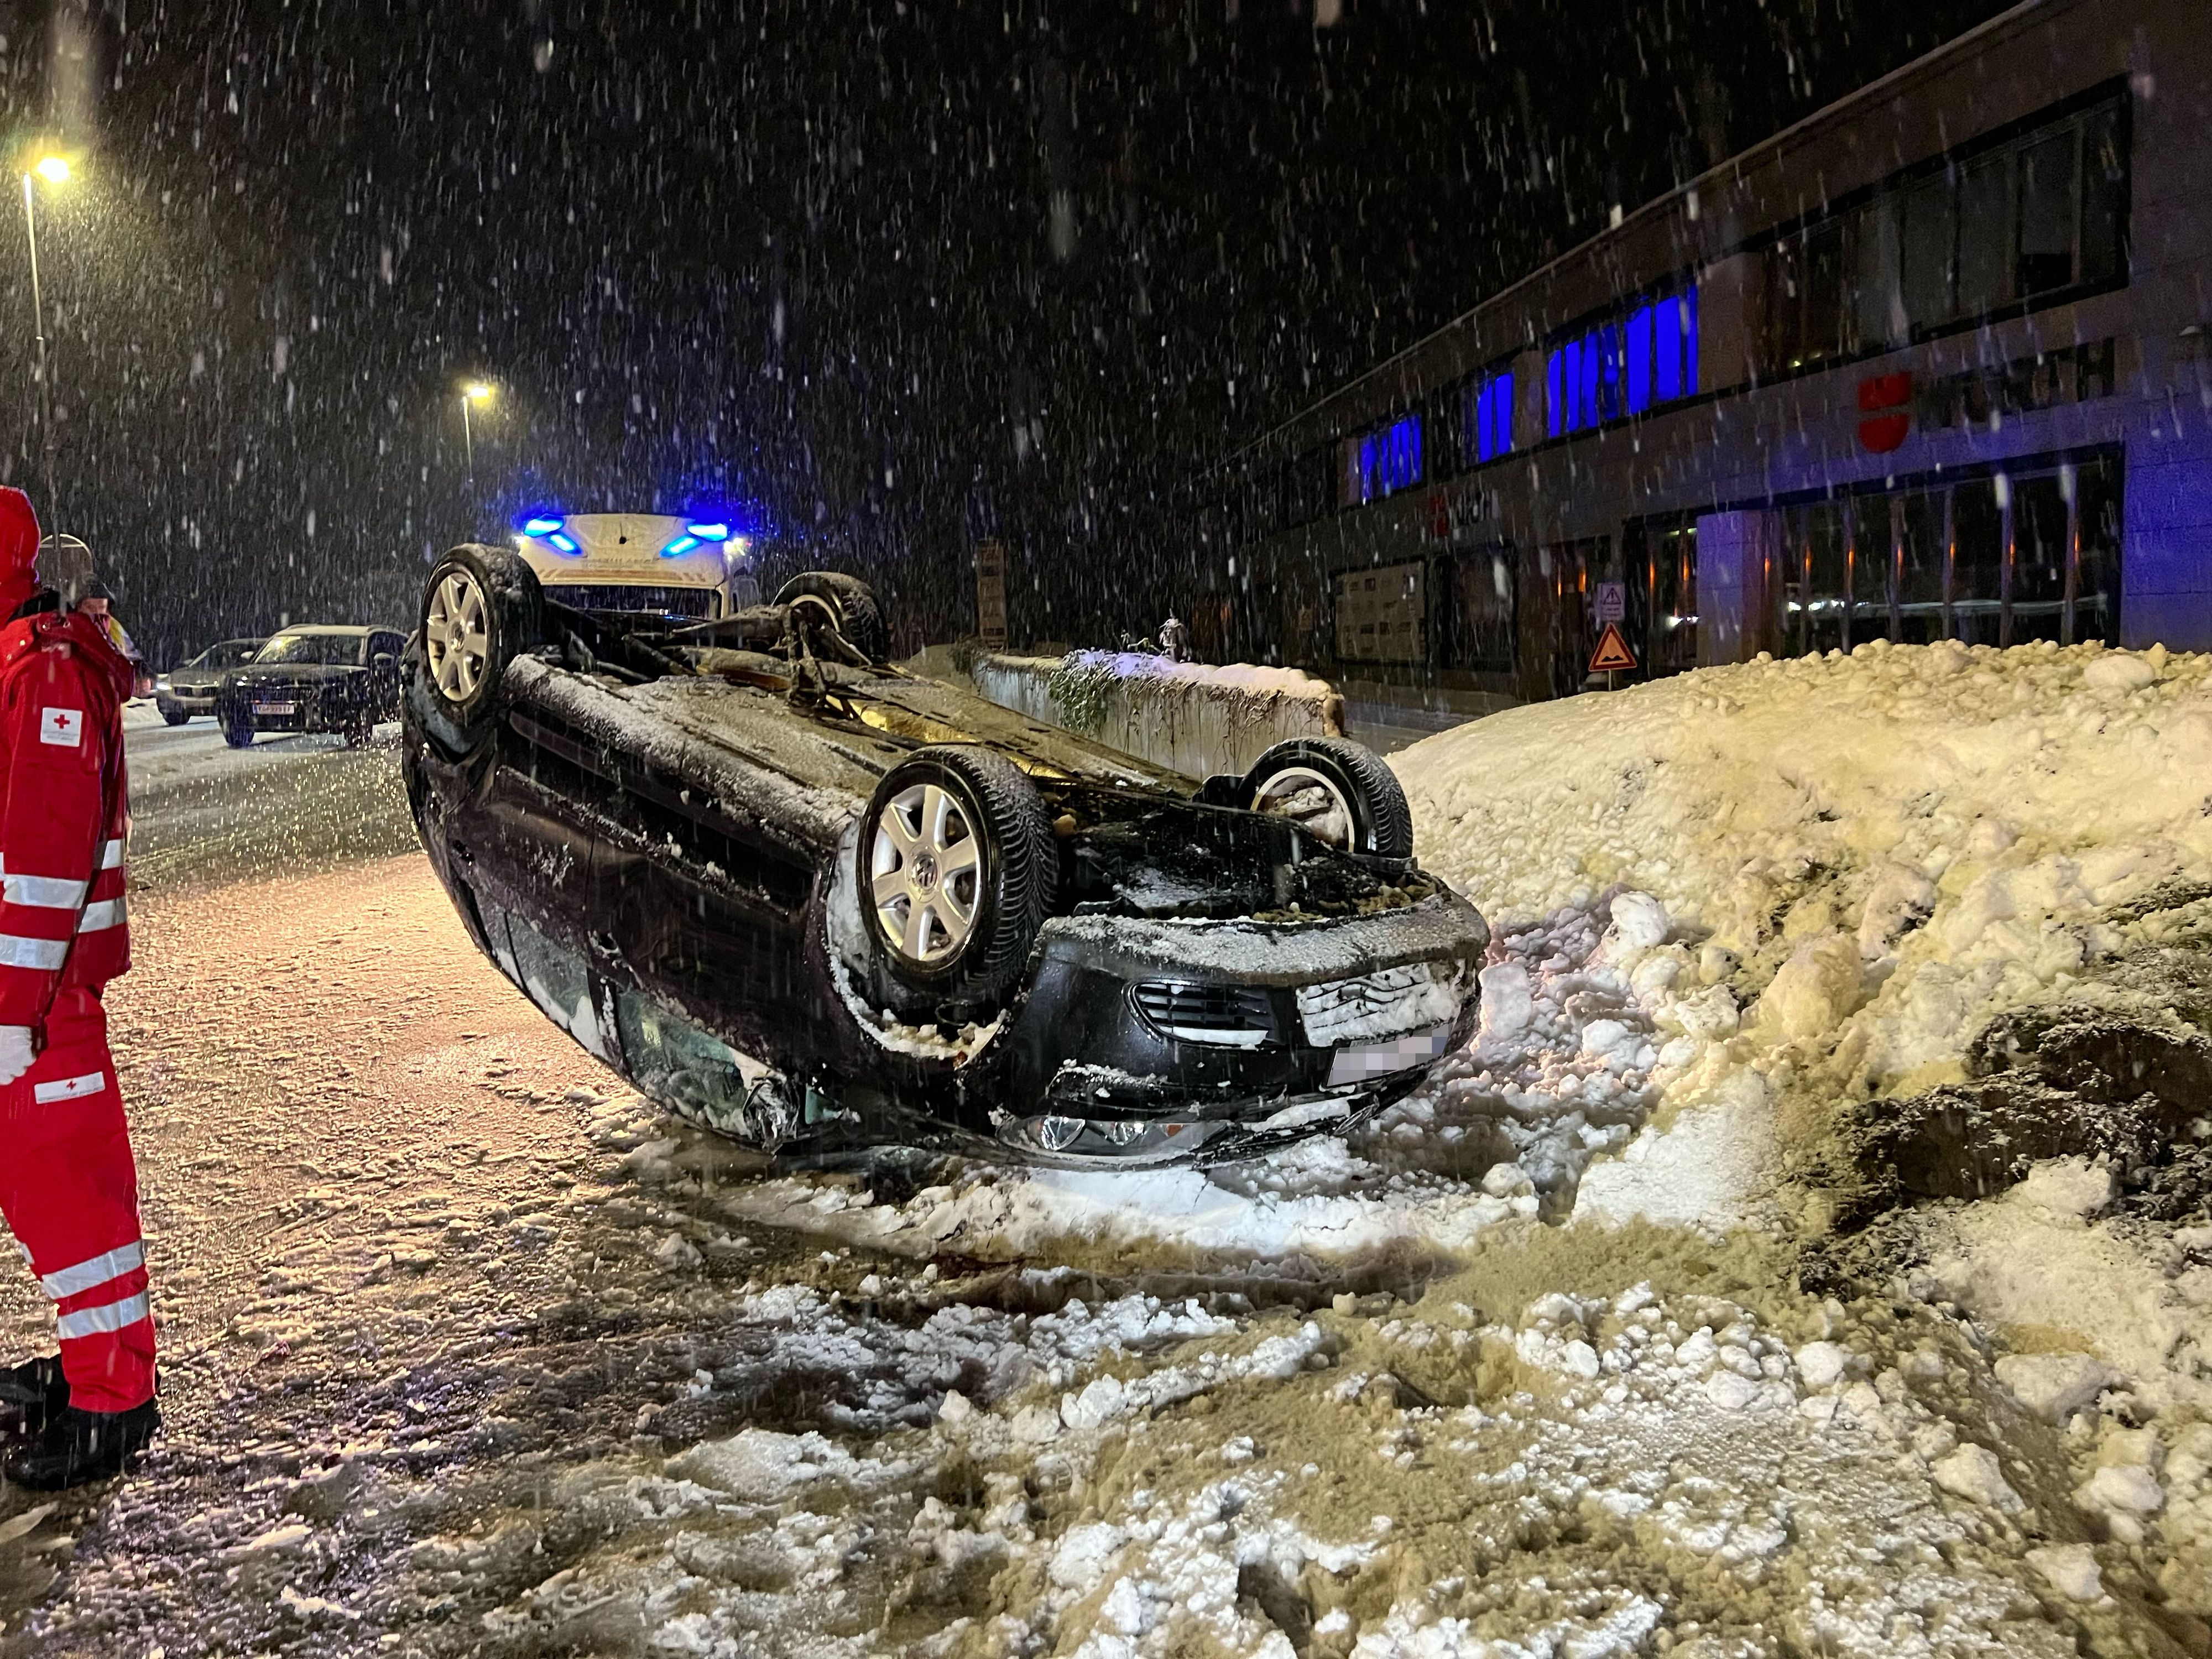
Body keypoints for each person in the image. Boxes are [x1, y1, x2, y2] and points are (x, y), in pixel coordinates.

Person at [0, 489, 158, 1488]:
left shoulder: (47, 671)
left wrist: (12, 1016)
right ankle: (99, 1373)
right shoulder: (30, 662)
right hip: (30, 997)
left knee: (71, 1202)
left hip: (36, 1003)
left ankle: (112, 1402)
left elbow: (46, 864)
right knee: (51, 1195)